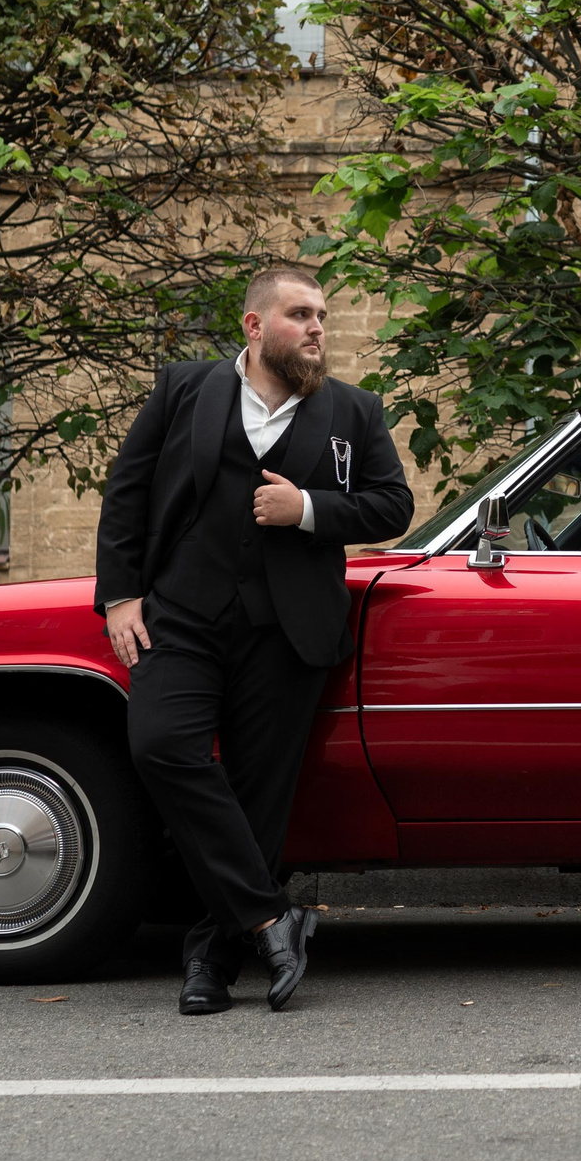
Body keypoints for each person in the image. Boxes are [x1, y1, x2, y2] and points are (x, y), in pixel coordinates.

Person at [94, 264, 412, 1016]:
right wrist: (119, 594)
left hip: (288, 631)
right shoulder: (183, 389)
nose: (317, 328)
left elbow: (391, 505)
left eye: (323, 316)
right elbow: (127, 489)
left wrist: (308, 508)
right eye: (300, 313)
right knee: (161, 746)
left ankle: (210, 958)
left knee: (256, 801)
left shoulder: (355, 411)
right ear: (255, 325)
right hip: (182, 617)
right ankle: (273, 918)